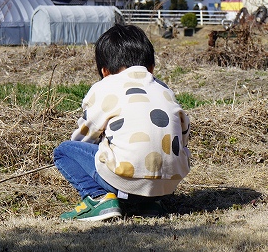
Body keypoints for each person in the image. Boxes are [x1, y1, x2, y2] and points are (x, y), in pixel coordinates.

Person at [53, 24, 191, 221]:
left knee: (64, 151)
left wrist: (87, 152)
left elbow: (84, 137)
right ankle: (149, 204)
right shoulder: (164, 89)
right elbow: (183, 134)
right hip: (168, 182)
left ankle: (98, 198)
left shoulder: (105, 86)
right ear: (151, 67)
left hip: (124, 177)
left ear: (105, 71)